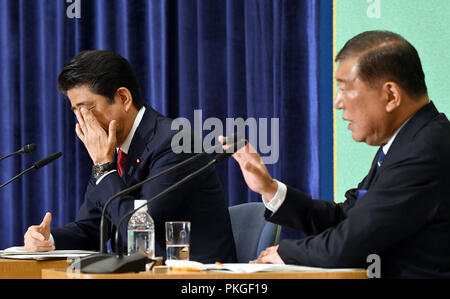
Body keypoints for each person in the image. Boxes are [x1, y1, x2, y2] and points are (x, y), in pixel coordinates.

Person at [221, 31, 450, 278]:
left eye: (345, 88)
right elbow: (347, 218)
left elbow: (350, 244)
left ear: (391, 95)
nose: (337, 102)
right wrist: (270, 189)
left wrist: (285, 253)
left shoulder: (424, 152)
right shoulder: (407, 142)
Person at [23, 50, 237, 263]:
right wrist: (47, 239)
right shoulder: (113, 151)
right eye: (76, 112)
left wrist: (104, 167)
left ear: (123, 98)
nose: (83, 122)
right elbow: (91, 229)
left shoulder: (175, 142)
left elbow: (141, 232)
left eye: (87, 110)